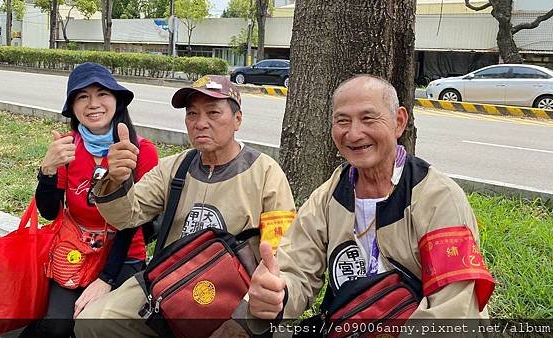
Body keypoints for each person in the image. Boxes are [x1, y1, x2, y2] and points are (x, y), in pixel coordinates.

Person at [247, 74, 495, 325]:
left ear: (399, 121)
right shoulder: (329, 196)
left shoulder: (438, 197)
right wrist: (278, 294)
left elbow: (454, 308)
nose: (353, 134)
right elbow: (295, 270)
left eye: (368, 118)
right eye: (342, 121)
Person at [75, 75, 296, 338]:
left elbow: (281, 256)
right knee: (94, 321)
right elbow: (127, 215)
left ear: (237, 120)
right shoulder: (175, 167)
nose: (200, 123)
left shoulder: (266, 173)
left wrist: (245, 317)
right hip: (170, 279)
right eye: (192, 114)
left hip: (234, 290)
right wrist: (115, 180)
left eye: (214, 113)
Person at [21, 62, 159, 338]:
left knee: (97, 325)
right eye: (82, 96)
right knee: (57, 326)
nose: (93, 104)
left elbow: (134, 221)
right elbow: (49, 212)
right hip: (75, 249)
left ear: (116, 100)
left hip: (124, 253)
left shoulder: (141, 151)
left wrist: (106, 278)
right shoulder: (67, 148)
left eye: (102, 94)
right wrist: (47, 171)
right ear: (72, 107)